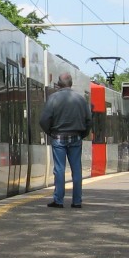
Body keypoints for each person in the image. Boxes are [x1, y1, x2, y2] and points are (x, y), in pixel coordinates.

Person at [39, 72, 92, 209]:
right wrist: (83, 134)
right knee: (77, 169)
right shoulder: (80, 99)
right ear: (71, 83)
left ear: (59, 83)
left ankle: (58, 200)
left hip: (58, 137)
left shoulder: (53, 98)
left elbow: (44, 120)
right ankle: (77, 201)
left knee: (59, 169)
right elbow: (89, 120)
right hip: (76, 137)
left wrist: (50, 132)